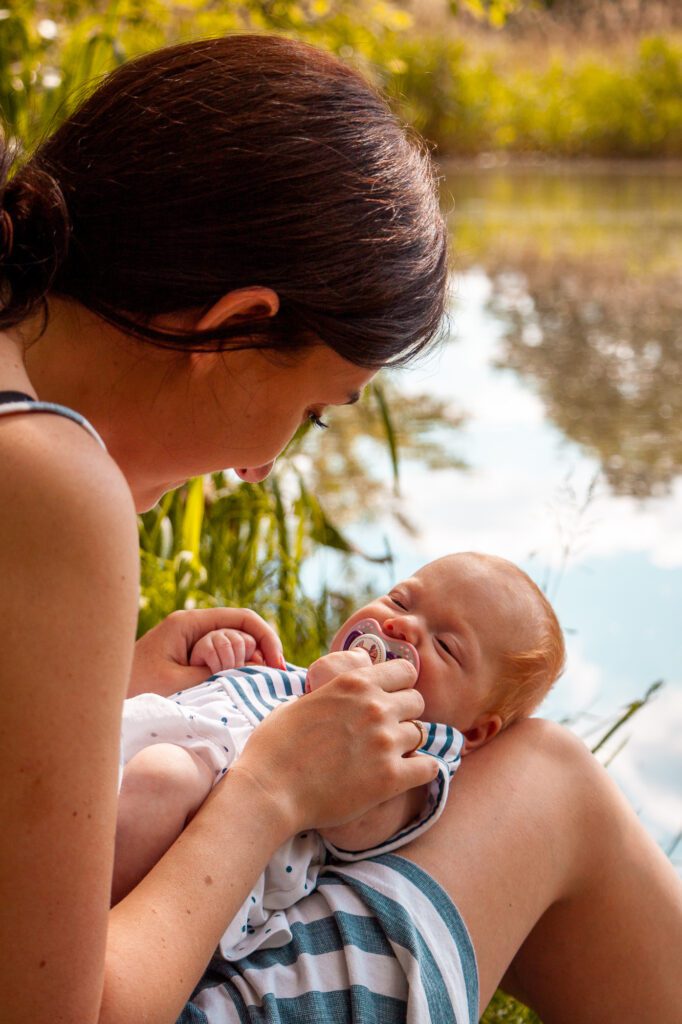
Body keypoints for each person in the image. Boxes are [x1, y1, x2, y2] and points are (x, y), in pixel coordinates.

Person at [1, 32, 680, 1024]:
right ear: (231, 327)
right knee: (546, 780)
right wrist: (271, 788)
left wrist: (124, 682)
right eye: (315, 409)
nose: (261, 467)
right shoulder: (48, 477)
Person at [113, 550, 566, 961]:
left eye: (446, 645)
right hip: (115, 760)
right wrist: (220, 654)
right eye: (400, 601)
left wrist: (337, 687)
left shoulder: (415, 760)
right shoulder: (285, 677)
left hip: (201, 851)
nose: (402, 626)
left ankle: (87, 929)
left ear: (474, 730)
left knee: (162, 778)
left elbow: (357, 826)